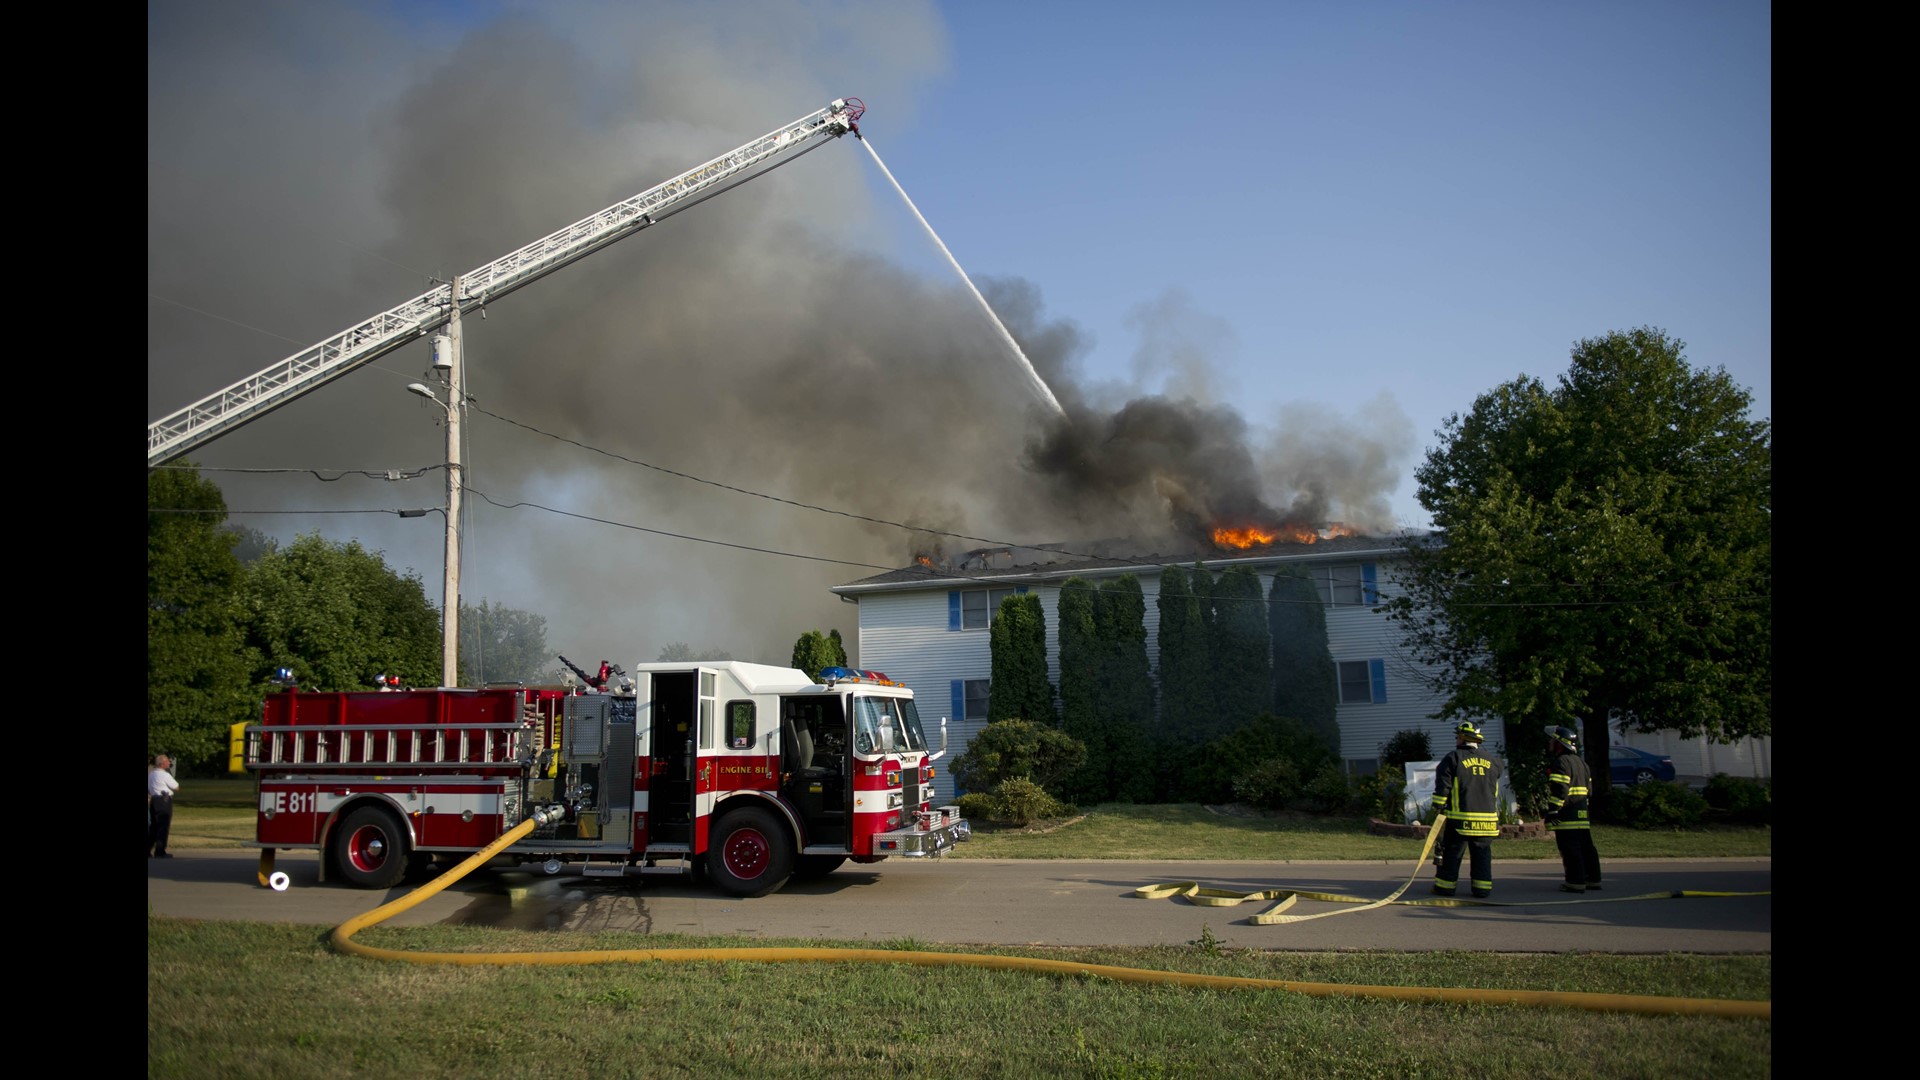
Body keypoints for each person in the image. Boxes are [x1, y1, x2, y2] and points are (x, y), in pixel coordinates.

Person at [1430, 721, 1504, 899]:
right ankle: (1482, 889)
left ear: (1463, 738)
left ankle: (1445, 887)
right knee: (1482, 856)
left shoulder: (1453, 759)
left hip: (1460, 821)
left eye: (1457, 736)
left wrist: (1438, 808)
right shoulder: (1494, 761)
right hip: (1487, 823)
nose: (1456, 739)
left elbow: (1443, 788)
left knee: (1452, 855)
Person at [1544, 724, 1603, 892]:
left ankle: (1575, 882)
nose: (1549, 743)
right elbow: (1589, 791)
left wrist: (1553, 810)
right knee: (1587, 847)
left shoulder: (1561, 762)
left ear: (1559, 744)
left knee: (1570, 849)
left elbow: (1560, 789)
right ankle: (1593, 879)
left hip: (1566, 814)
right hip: (1582, 813)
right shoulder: (1582, 763)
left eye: (1552, 740)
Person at [148, 754, 180, 858]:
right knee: (163, 826)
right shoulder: (165, 775)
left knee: (153, 826)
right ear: (162, 763)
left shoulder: (151, 774)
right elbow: (176, 787)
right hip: (164, 800)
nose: (169, 763)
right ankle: (160, 851)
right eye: (167, 761)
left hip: (154, 800)